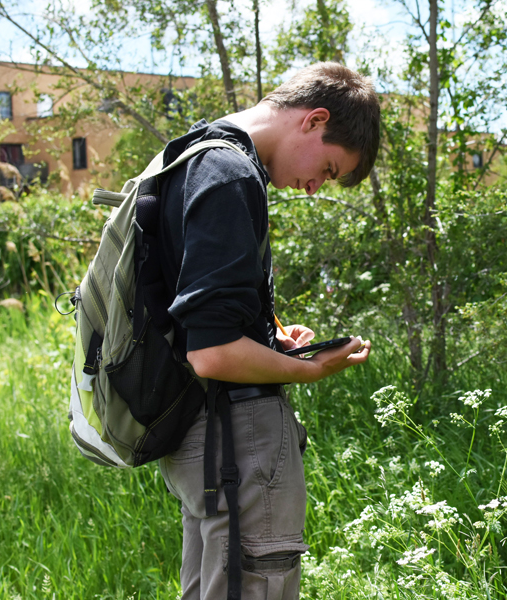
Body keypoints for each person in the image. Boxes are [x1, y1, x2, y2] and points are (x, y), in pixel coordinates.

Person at [155, 62, 380, 599]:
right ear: (313, 120)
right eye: (328, 168)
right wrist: (308, 368)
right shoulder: (230, 175)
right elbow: (210, 353)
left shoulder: (190, 157)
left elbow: (194, 321)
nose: (313, 188)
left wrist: (268, 343)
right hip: (235, 439)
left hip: (197, 435)